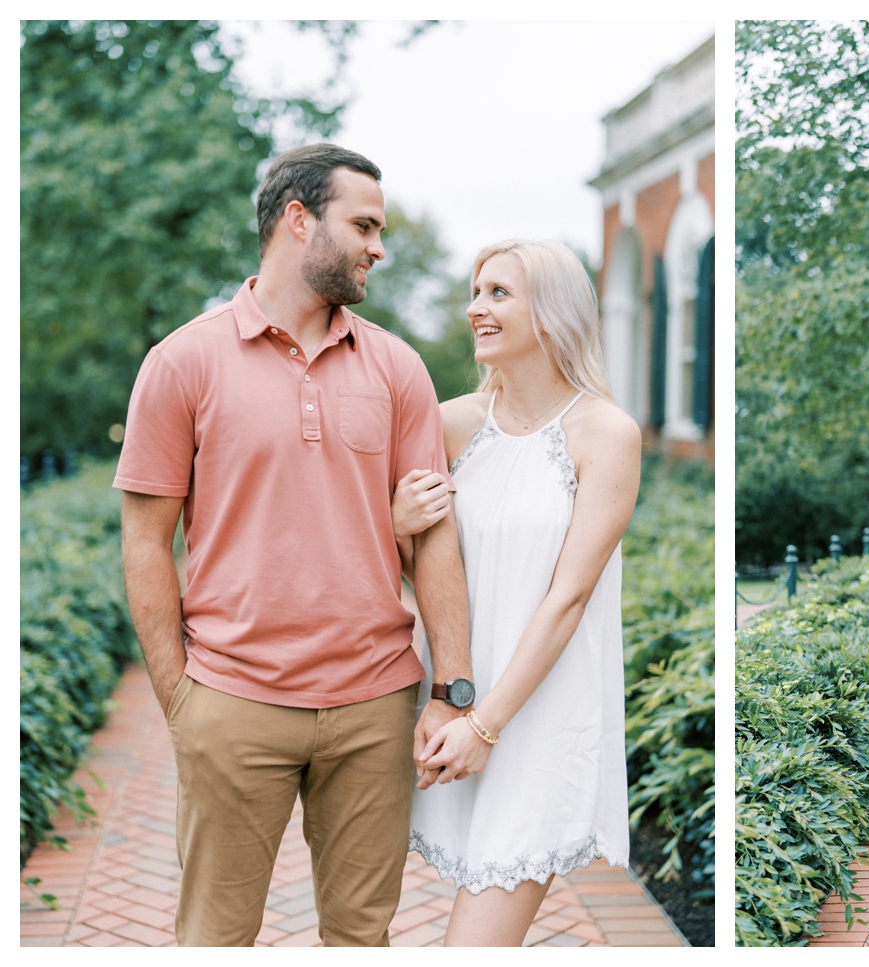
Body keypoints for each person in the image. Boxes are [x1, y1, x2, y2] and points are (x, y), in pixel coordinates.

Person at [116, 144, 476, 945]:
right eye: (365, 224)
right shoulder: (182, 362)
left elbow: (435, 537)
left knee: (361, 936)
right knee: (216, 936)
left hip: (375, 705)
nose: (378, 246)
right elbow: (145, 540)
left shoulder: (398, 367)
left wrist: (452, 687)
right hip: (233, 700)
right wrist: (182, 699)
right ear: (298, 218)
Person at [389, 238, 641, 946]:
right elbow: (416, 569)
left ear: (552, 311)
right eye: (476, 292)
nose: (476, 309)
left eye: (499, 293)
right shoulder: (448, 423)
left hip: (537, 718)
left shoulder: (607, 433)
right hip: (450, 705)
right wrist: (395, 525)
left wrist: (487, 725)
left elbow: (569, 597)